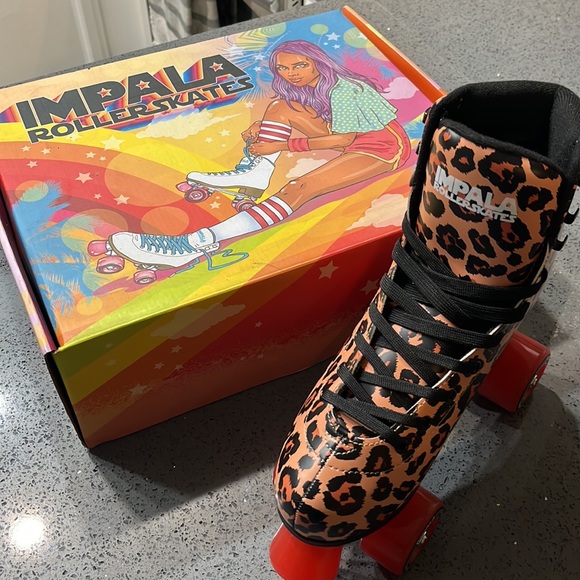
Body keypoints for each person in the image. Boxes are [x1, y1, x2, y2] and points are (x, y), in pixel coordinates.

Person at [108, 40, 411, 270]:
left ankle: (194, 244)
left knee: (299, 188)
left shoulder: (345, 89)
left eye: (299, 65)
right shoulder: (309, 86)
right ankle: (257, 173)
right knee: (278, 107)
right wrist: (267, 129)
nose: (291, 74)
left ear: (317, 62)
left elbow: (344, 139)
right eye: (283, 68)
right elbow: (320, 120)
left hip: (381, 149)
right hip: (349, 135)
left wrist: (280, 145)